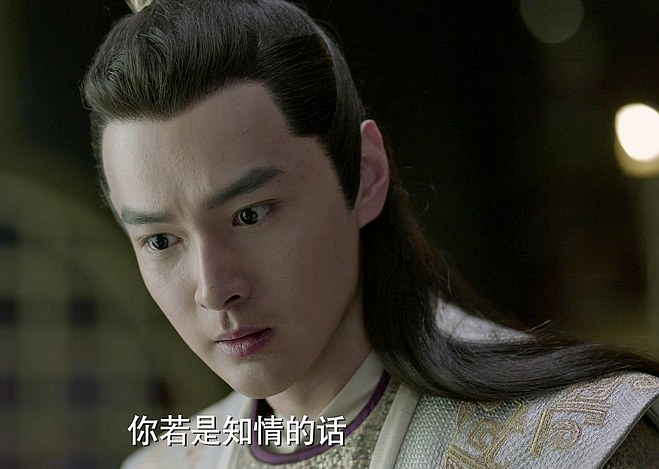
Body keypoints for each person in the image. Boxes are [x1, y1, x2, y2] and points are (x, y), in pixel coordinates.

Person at [81, 0, 659, 467]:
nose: (214, 289)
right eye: (161, 241)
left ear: (364, 174)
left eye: (251, 214)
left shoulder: (576, 440)